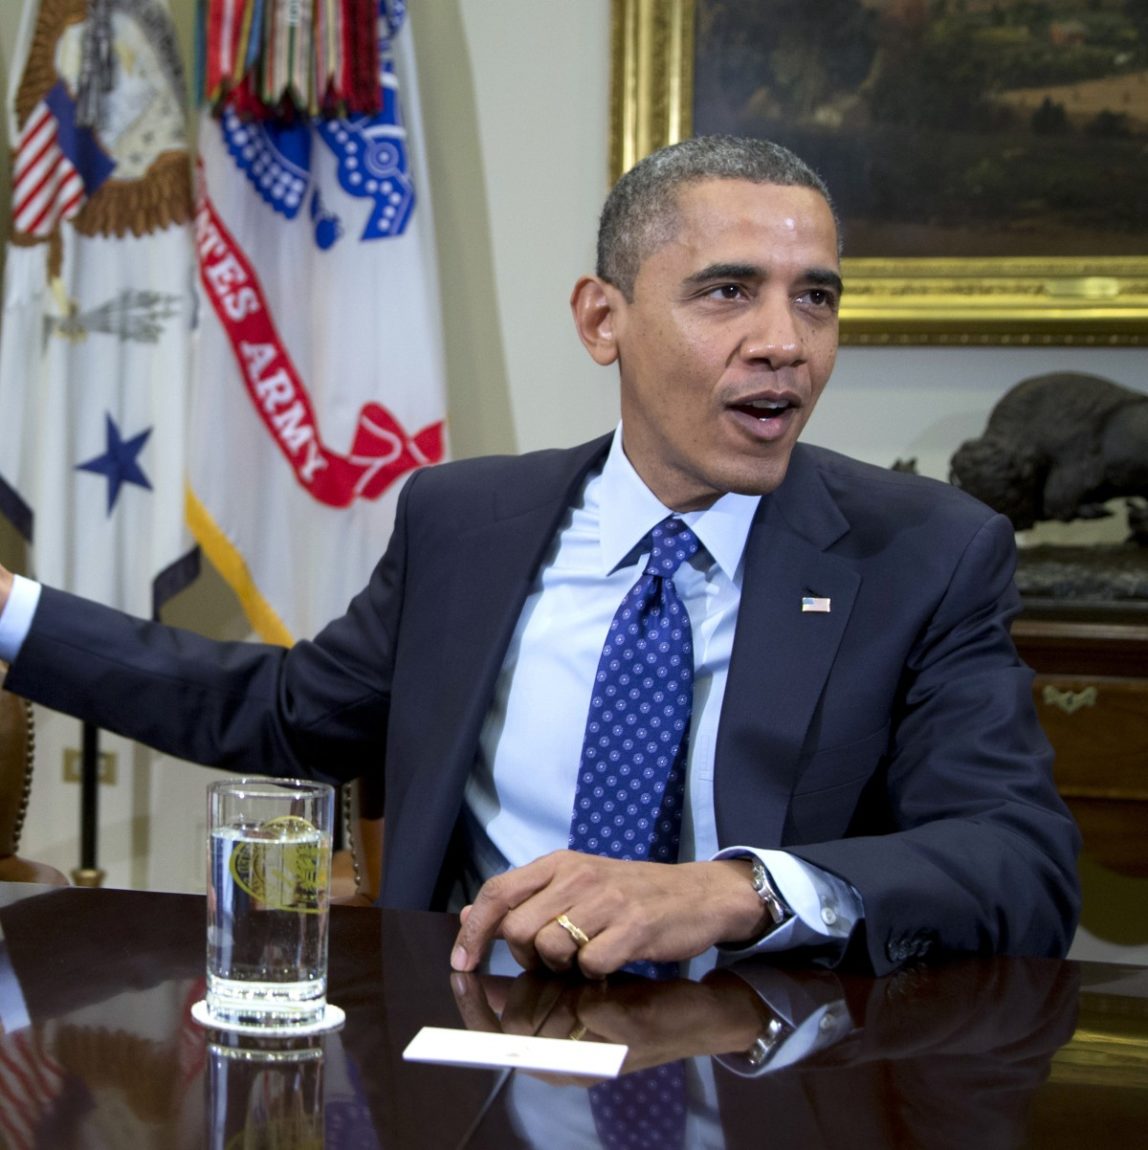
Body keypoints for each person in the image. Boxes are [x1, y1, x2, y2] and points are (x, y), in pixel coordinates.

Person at [0, 135, 1079, 978]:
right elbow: (283, 713)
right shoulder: (466, 523)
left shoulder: (924, 553)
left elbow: (1017, 863)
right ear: (600, 319)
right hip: (469, 1038)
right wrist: (10, 612)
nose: (783, 342)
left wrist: (733, 890)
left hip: (766, 1070)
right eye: (725, 291)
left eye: (814, 297)